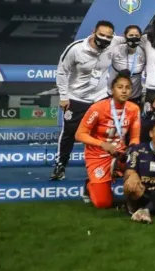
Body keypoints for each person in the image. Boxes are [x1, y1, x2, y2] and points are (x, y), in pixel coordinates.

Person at [51, 20, 125, 181]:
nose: (105, 39)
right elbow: (62, 72)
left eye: (108, 36)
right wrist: (63, 97)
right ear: (93, 32)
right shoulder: (76, 49)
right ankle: (60, 165)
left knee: (107, 133)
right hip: (77, 98)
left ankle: (109, 167)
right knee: (70, 133)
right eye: (101, 35)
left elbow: (133, 37)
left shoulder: (114, 42)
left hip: (100, 97)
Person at [74, 72, 141, 208]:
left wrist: (131, 150)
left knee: (141, 162)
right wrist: (102, 144)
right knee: (103, 203)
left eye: (127, 87)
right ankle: (89, 185)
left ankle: (132, 197)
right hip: (97, 154)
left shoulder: (133, 109)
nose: (124, 90)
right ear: (112, 89)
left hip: (119, 152)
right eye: (120, 87)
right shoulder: (98, 108)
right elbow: (79, 134)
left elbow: (134, 137)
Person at [111, 25, 146, 108]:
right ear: (125, 36)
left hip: (134, 96)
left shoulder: (144, 52)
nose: (134, 38)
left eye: (136, 36)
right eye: (130, 35)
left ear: (140, 37)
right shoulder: (116, 49)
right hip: (115, 95)